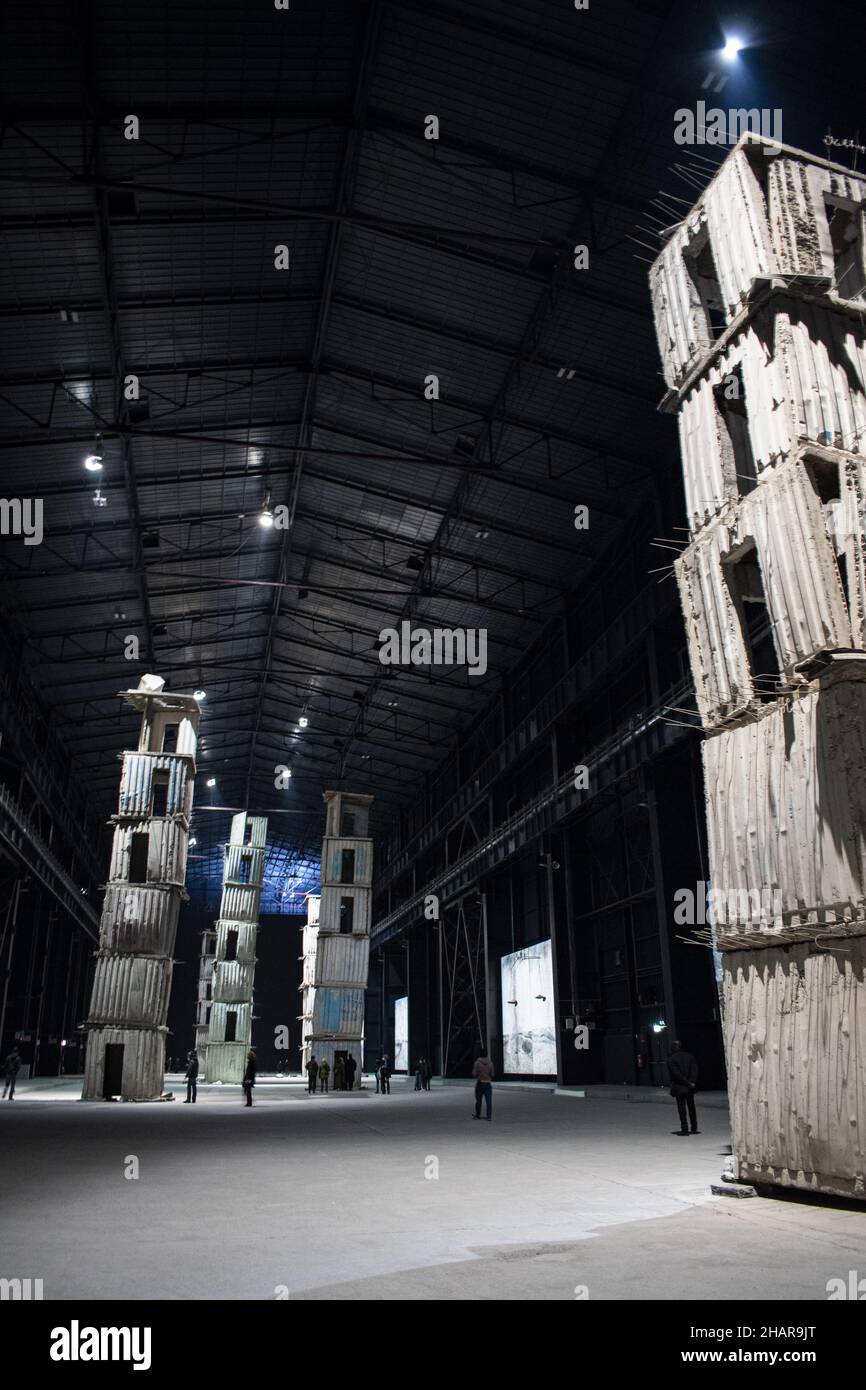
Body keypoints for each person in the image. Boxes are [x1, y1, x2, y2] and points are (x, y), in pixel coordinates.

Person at [667, 1040, 699, 1135]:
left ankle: (684, 1128)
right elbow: (695, 1071)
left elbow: (676, 1074)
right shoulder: (690, 1056)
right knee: (691, 1107)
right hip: (690, 1087)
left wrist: (686, 1083)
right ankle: (694, 1127)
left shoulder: (671, 1059)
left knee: (681, 1108)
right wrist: (692, 1082)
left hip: (679, 1086)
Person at [472, 1048, 494, 1120]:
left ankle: (478, 1115)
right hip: (488, 1083)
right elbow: (492, 1074)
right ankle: (489, 1116)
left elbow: (474, 1074)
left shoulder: (477, 1063)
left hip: (480, 1083)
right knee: (489, 1101)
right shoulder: (490, 1063)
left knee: (478, 1101)